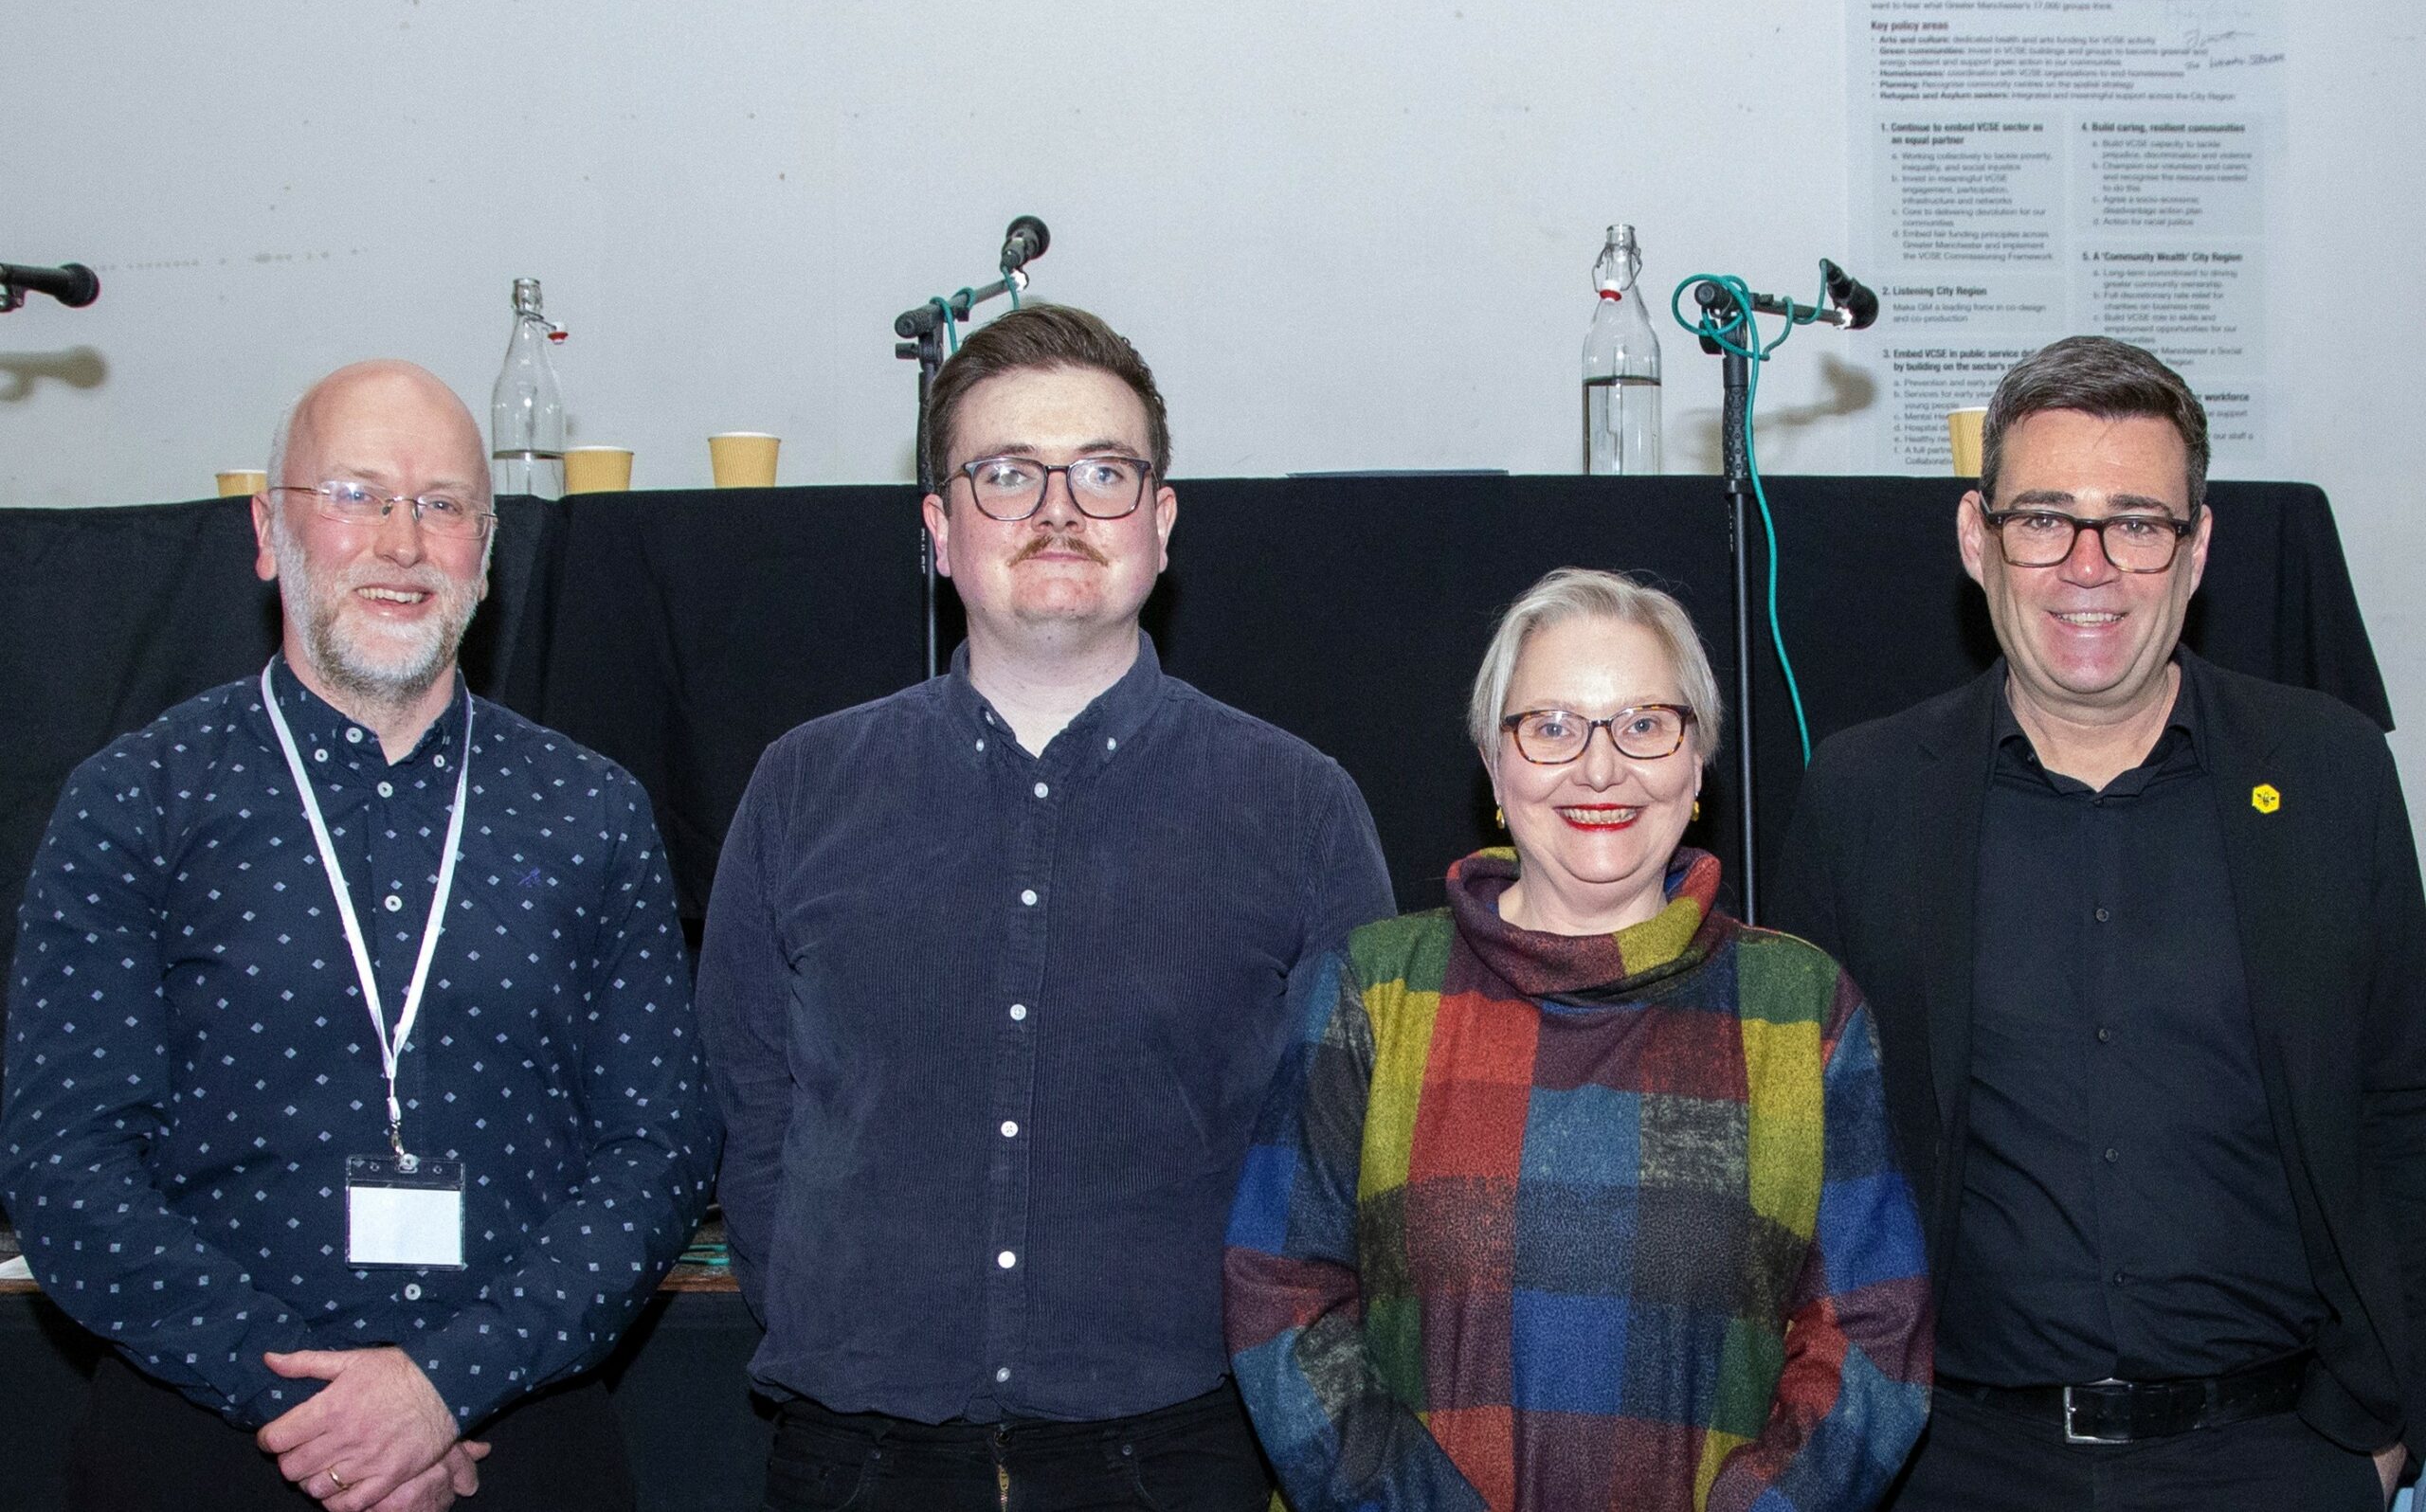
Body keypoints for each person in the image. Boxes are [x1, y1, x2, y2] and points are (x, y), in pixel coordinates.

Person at [694, 303, 1396, 1512]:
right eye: (1008, 474)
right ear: (941, 529)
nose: (1059, 509)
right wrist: (825, 1300)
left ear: (1161, 522)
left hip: (1176, 1449)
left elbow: (1349, 1144)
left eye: (1104, 473)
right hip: (858, 1451)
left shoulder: (1299, 807)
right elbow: (747, 1101)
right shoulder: (803, 784)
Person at [0, 361, 718, 1512]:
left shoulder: (594, 809)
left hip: (517, 1441)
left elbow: (662, 1144)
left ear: (487, 552)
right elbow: (63, 1161)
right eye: (354, 493)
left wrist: (441, 1387)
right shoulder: (135, 798)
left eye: (443, 503)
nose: (402, 538)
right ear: (266, 528)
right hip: (199, 1444)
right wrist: (311, 1407)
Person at [1772, 334, 2426, 1509]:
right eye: (2043, 520)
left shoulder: (2329, 779)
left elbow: (2406, 1109)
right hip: (1953, 1463)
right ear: (1977, 537)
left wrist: (2387, 1427)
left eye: (2136, 521)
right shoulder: (1863, 797)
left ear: (2197, 547)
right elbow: (1802, 1152)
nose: (2089, 565)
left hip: (2279, 1457)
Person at [1224, 567, 1930, 1512]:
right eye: (1551, 726)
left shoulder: (1799, 1007)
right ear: (1494, 764)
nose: (1600, 767)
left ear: (1695, 764)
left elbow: (1875, 1331)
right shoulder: (1371, 989)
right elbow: (1281, 1294)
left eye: (1644, 724)